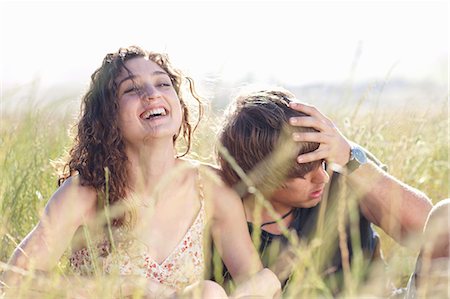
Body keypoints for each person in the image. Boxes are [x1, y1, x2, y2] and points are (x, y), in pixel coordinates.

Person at [0, 47, 280, 298]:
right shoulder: (86, 193)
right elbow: (14, 281)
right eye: (131, 89)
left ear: (179, 104)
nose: (152, 94)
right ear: (107, 115)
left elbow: (255, 283)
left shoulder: (210, 187)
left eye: (162, 83)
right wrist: (129, 287)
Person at [216, 87, 433, 296]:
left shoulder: (342, 160)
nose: (324, 177)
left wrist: (349, 158)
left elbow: (430, 230)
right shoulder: (226, 215)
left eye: (321, 164)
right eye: (304, 174)